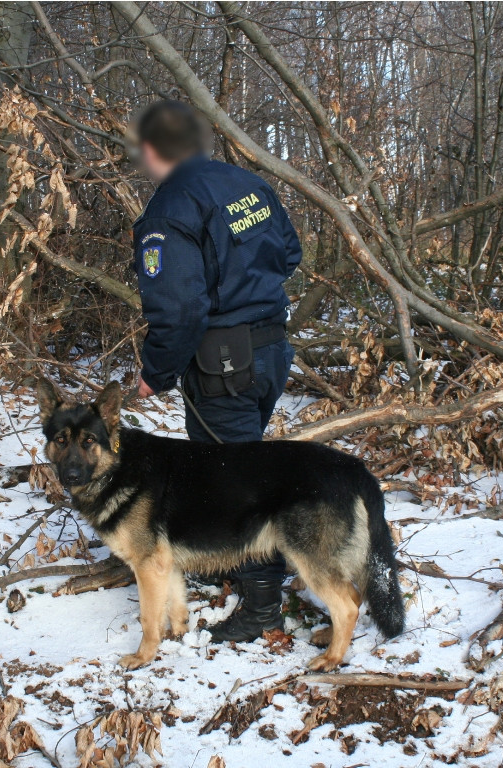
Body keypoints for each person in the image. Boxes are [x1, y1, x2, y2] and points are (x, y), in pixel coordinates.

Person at [130, 99, 301, 643]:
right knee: (245, 466)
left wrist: (155, 372)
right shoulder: (247, 184)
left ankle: (262, 606)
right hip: (271, 350)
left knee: (235, 485)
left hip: (222, 364)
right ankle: (244, 564)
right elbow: (290, 252)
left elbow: (178, 309)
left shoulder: (170, 208)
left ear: (154, 150)